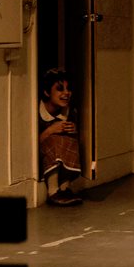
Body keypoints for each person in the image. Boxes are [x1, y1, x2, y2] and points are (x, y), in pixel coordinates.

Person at [39, 68, 83, 206]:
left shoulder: (70, 111)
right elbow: (31, 144)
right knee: (55, 139)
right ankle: (53, 191)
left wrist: (74, 131)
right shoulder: (36, 112)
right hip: (43, 160)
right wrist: (50, 130)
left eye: (68, 89)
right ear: (47, 92)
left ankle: (65, 187)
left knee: (69, 138)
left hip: (61, 158)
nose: (66, 93)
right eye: (60, 89)